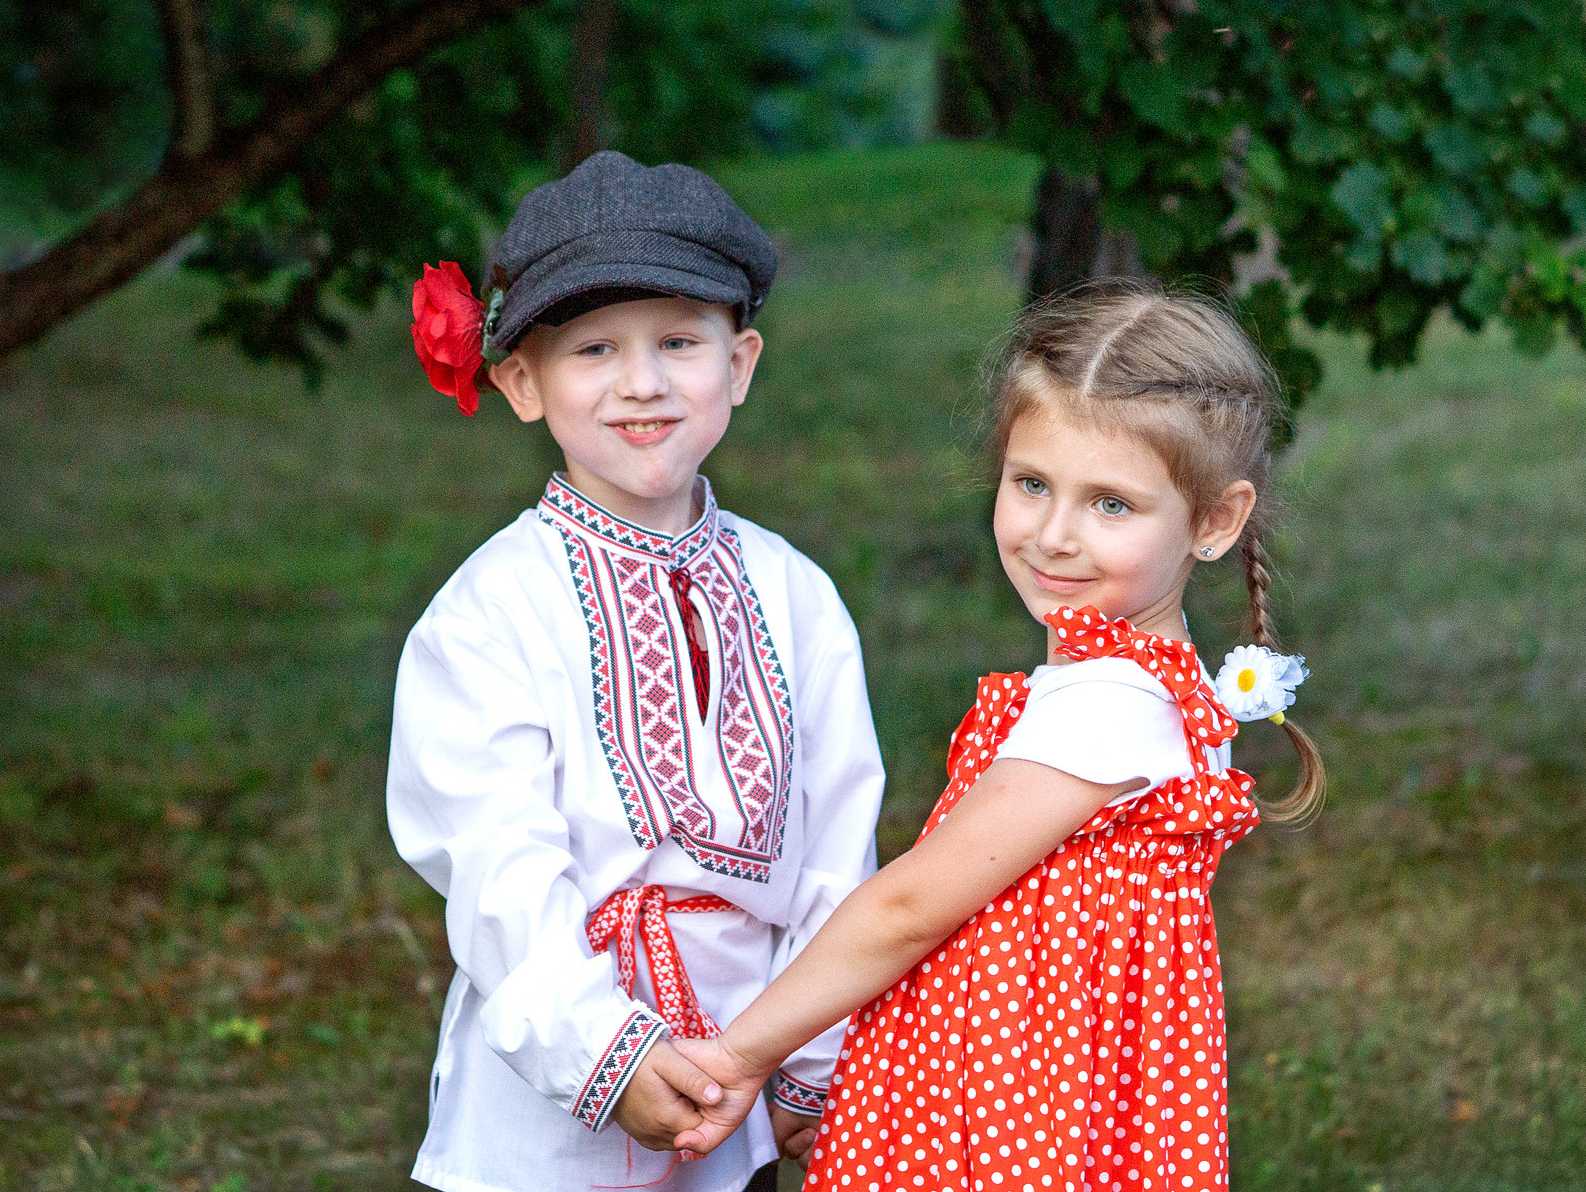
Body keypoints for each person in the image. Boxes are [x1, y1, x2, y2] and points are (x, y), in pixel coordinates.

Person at [669, 282, 1325, 1191]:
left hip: (1017, 1105)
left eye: (1112, 506)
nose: (1055, 534)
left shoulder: (1109, 709)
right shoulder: (1141, 685)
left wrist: (740, 1055)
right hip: (1050, 1082)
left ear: (1214, 520)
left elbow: (908, 910)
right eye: (1032, 484)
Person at [387, 151, 887, 1192]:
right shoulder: (489, 614)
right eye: (592, 348)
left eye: (677, 340)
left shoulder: (796, 596)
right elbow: (497, 872)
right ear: (520, 381)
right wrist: (604, 1056)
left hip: (737, 1077)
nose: (641, 381)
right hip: (545, 1107)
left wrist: (804, 1056)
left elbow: (839, 837)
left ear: (738, 363)